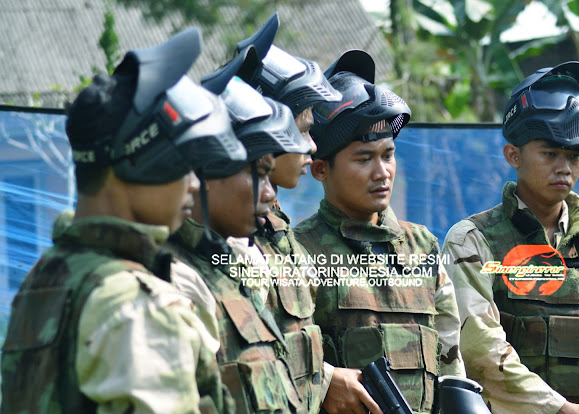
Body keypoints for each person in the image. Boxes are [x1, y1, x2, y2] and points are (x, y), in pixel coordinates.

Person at [0, 29, 240, 413]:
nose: (194, 184)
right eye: (182, 163)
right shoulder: (135, 304)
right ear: (137, 161)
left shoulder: (46, 279)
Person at [442, 61, 579, 413]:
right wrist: (558, 409)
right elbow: (478, 348)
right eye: (550, 153)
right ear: (513, 155)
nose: (564, 167)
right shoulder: (472, 241)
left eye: (575, 155)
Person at [293, 49, 465, 414]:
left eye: (388, 155)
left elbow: (450, 359)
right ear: (320, 170)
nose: (382, 172)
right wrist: (325, 378)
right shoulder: (297, 251)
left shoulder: (422, 246)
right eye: (363, 158)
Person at [226, 13, 380, 414]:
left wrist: (325, 377)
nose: (312, 147)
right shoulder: (227, 234)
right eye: (303, 129)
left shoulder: (275, 227)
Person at [166, 60, 314, 414]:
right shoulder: (176, 279)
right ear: (208, 173)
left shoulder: (237, 262)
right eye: (258, 175)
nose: (268, 193)